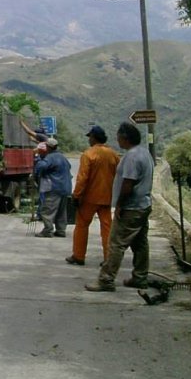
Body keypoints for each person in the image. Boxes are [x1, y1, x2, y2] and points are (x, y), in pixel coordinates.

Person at [86, 122, 154, 292]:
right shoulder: (145, 153)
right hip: (143, 205)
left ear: (125, 137)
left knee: (116, 243)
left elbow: (128, 184)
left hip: (131, 207)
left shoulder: (131, 157)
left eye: (118, 136)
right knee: (140, 243)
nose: (117, 139)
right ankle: (140, 277)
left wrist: (120, 205)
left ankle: (106, 280)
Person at [66, 125, 120, 266]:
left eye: (90, 137)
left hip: (89, 198)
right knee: (107, 228)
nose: (89, 139)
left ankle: (78, 255)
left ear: (94, 138)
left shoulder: (88, 154)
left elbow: (82, 178)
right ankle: (109, 258)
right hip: (106, 197)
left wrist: (76, 195)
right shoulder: (113, 154)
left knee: (82, 226)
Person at [33, 138, 72, 237]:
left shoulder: (50, 157)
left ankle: (48, 230)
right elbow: (69, 166)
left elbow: (40, 167)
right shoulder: (62, 157)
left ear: (48, 147)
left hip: (54, 187)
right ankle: (61, 230)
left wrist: (37, 157)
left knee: (47, 210)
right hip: (65, 188)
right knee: (61, 211)